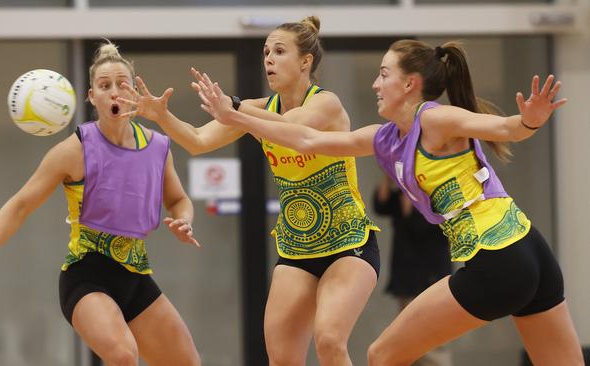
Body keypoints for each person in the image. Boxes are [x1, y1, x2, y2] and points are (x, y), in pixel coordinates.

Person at [193, 39, 584, 365]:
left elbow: (505, 127)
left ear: (411, 84)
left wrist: (529, 120)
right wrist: (235, 115)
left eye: (383, 74)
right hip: (527, 249)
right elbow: (306, 140)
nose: (376, 84)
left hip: (498, 257)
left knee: (381, 355)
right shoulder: (383, 138)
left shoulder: (434, 119)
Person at [118, 16, 381, 365]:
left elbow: (293, 131)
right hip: (296, 248)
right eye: (266, 51)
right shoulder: (257, 109)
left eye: (279, 51)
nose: (268, 58)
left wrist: (235, 110)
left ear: (306, 62)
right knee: (281, 358)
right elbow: (198, 141)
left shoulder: (326, 103)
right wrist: (162, 116)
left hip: (349, 244)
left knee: (330, 341)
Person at [0, 41, 202, 366]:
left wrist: (185, 220)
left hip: (137, 274)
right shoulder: (75, 150)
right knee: (123, 355)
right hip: (87, 277)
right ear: (91, 96)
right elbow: (21, 204)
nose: (114, 92)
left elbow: (178, 200)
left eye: (122, 84)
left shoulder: (158, 147)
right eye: (104, 85)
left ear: (135, 93)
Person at [373, 175, 452, 366]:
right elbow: (380, 206)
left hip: (431, 274)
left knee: (432, 333)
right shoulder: (402, 194)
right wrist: (388, 178)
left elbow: (419, 227)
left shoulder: (436, 195)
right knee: (407, 333)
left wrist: (410, 191)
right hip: (406, 273)